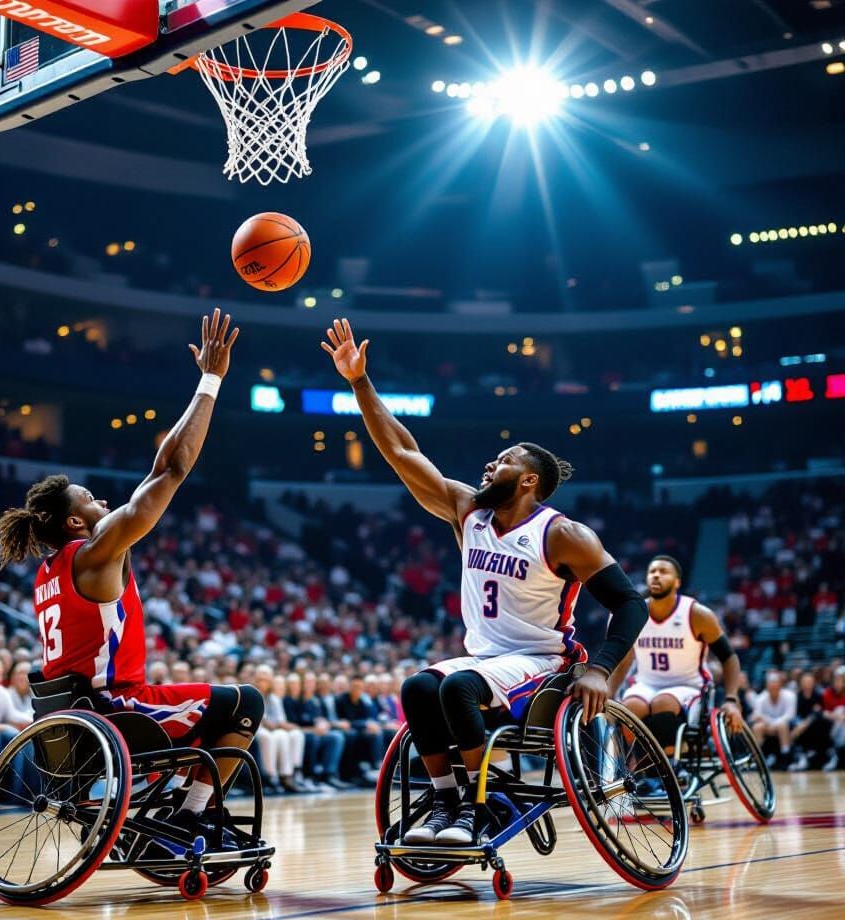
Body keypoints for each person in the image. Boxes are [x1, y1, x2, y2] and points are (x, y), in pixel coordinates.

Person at [321, 318, 647, 845]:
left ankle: (481, 804)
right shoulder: (466, 511)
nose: (490, 465)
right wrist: (360, 382)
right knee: (418, 687)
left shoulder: (563, 534)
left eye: (504, 462)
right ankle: (449, 800)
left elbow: (629, 604)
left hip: (542, 661)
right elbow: (403, 453)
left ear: (528, 481)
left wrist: (601, 672)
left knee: (457, 687)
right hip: (486, 656)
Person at [0, 308, 263, 837]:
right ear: (76, 521)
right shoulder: (93, 552)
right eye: (92, 499)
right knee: (245, 702)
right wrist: (211, 380)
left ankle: (189, 808)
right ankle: (189, 815)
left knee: (207, 701)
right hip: (118, 710)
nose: (103, 501)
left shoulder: (47, 571)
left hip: (75, 716)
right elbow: (170, 469)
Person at [608, 555, 745, 790]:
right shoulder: (634, 614)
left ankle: (670, 768)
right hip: (646, 683)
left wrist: (732, 699)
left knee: (663, 703)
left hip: (687, 685)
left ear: (677, 582)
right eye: (652, 572)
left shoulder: (696, 614)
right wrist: (607, 695)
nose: (656, 576)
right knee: (629, 709)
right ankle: (640, 769)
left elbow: (729, 658)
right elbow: (623, 661)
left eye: (663, 571)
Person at [750, 670, 797, 768]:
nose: (773, 687)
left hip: (785, 726)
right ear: (767, 686)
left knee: (782, 725)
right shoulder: (760, 698)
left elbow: (790, 715)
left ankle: (786, 756)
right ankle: (759, 758)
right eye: (771, 685)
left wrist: (772, 724)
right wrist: (771, 724)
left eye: (775, 684)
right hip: (768, 726)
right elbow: (757, 715)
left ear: (780, 685)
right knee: (757, 727)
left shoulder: (790, 696)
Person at [789, 671, 829, 771]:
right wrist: (800, 723)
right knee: (793, 726)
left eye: (809, 681)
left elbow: (820, 713)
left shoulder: (819, 695)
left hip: (814, 726)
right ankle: (800, 756)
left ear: (813, 682)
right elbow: (795, 714)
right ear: (801, 683)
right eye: (805, 681)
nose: (807, 684)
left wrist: (806, 722)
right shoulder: (797, 697)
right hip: (800, 725)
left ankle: (816, 754)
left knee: (820, 724)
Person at [821, 666, 845, 771]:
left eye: (841, 679)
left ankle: (836, 754)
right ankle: (835, 753)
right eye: (837, 679)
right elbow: (825, 713)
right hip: (831, 726)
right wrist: (838, 716)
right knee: (840, 710)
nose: (838, 682)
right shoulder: (828, 693)